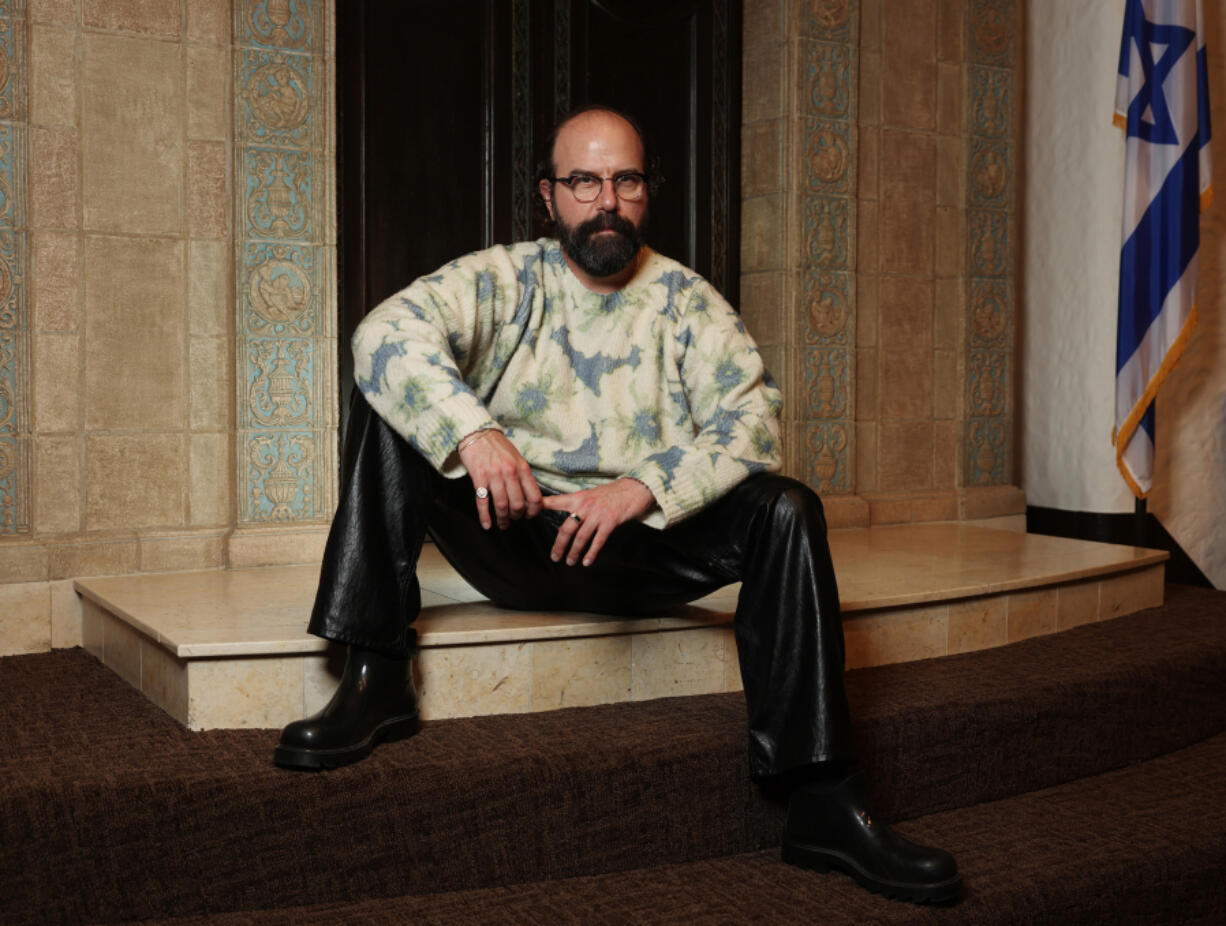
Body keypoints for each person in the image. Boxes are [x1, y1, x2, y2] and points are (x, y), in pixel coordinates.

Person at [274, 105, 961, 904]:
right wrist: (474, 434)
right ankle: (375, 674)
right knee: (391, 400)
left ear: (647, 192)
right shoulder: (505, 277)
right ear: (549, 196)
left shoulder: (687, 302)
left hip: (639, 550)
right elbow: (384, 332)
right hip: (518, 534)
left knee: (787, 507)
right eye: (585, 181)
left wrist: (643, 489)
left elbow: (753, 421)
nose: (607, 200)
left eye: (626, 180)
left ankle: (820, 798)